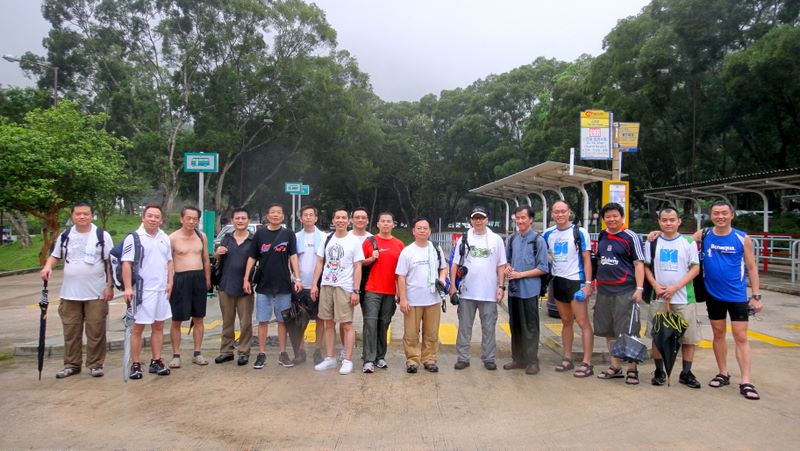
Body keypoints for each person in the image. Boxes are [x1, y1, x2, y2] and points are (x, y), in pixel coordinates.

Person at [695, 200, 762, 399]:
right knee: (718, 334)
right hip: (712, 294)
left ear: (732, 215)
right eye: (716, 213)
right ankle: (723, 373)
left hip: (737, 295)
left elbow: (752, 268)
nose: (720, 216)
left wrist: (756, 296)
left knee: (741, 336)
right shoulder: (705, 234)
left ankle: (746, 381)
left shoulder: (742, 238)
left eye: (724, 213)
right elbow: (680, 240)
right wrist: (657, 234)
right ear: (711, 215)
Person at [40, 201, 114, 378]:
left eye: (86, 214)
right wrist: (48, 266)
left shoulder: (102, 235)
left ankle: (95, 364)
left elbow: (110, 263)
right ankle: (72, 364)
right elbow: (55, 256)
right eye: (78, 214)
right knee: (71, 331)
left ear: (91, 215)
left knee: (96, 331)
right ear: (72, 216)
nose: (82, 217)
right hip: (70, 293)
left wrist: (109, 286)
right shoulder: (66, 235)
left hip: (96, 293)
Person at [644, 207, 701, 388]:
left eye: (672, 220)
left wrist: (676, 287)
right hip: (659, 297)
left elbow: (695, 268)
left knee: (688, 337)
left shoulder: (688, 242)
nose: (668, 223)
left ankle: (686, 373)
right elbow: (646, 267)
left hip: (684, 298)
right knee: (658, 335)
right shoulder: (652, 242)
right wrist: (655, 285)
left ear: (679, 221)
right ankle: (659, 371)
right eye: (664, 220)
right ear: (659, 222)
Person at [243, 204, 302, 370]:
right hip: (264, 285)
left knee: (283, 321)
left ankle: (283, 353)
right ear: (267, 216)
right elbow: (252, 257)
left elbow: (293, 256)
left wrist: (298, 278)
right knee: (263, 321)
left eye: (279, 213)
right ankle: (261, 354)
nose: (276, 215)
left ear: (283, 216)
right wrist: (246, 279)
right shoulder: (259, 234)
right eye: (272, 212)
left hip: (283, 285)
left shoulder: (288, 234)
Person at [449, 206, 507, 370]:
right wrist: (452, 286)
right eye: (475, 218)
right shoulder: (464, 238)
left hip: (489, 293)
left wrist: (501, 286)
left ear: (487, 220)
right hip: (467, 292)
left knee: (489, 327)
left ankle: (489, 358)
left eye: (481, 218)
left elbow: (501, 265)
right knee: (464, 327)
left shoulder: (496, 239)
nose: (478, 221)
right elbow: (455, 264)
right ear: (471, 220)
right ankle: (463, 358)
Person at [594, 202, 645, 385]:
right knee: (609, 330)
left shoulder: (631, 236)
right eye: (608, 216)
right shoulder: (602, 235)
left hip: (625, 291)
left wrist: (639, 289)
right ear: (603, 219)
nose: (612, 219)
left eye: (615, 216)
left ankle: (632, 369)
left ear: (622, 217)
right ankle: (615, 366)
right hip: (604, 291)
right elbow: (599, 259)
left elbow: (639, 264)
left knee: (628, 331)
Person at [542, 200, 595, 377]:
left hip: (576, 281)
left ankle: (587, 363)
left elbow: (587, 259)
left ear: (569, 212)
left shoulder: (579, 232)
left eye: (563, 211)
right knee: (565, 321)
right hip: (558, 281)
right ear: (552, 214)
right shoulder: (548, 233)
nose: (560, 214)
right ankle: (567, 358)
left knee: (582, 321)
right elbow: (542, 254)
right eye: (556, 211)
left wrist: (588, 284)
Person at [123, 204, 174, 379]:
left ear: (161, 220)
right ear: (143, 217)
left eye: (156, 217)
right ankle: (135, 364)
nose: (153, 219)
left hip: (161, 290)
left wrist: (170, 282)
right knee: (138, 328)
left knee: (158, 326)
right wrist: (128, 287)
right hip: (141, 291)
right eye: (150, 216)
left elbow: (169, 261)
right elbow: (126, 263)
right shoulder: (134, 238)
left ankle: (156, 360)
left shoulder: (164, 238)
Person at [311, 208, 364, 375]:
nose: (340, 220)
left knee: (347, 324)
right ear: (333, 221)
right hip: (327, 285)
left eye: (343, 218)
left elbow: (358, 267)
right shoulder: (327, 238)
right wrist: (314, 284)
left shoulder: (354, 241)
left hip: (344, 287)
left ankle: (347, 360)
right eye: (337, 218)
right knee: (328, 323)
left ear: (349, 221)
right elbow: (320, 262)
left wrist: (356, 290)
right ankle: (330, 357)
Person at [396, 218, 448, 373]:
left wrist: (442, 278)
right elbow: (401, 276)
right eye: (419, 228)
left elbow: (443, 268)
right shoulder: (407, 251)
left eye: (425, 228)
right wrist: (403, 299)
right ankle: (412, 360)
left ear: (429, 231)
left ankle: (429, 359)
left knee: (431, 332)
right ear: (413, 231)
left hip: (433, 299)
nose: (422, 231)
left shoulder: (436, 249)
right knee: (411, 333)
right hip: (413, 299)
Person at [503, 206, 549, 375]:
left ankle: (532, 361)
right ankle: (518, 359)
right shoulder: (512, 239)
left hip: (530, 290)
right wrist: (508, 268)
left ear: (531, 219)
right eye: (518, 218)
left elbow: (543, 267)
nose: (520, 221)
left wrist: (521, 274)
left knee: (530, 326)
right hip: (514, 290)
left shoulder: (538, 240)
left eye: (523, 218)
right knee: (515, 325)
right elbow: (507, 260)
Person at [361, 212, 404, 373]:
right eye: (383, 221)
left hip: (390, 291)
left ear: (393, 224)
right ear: (377, 224)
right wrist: (371, 259)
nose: (386, 224)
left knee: (384, 323)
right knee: (370, 324)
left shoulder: (399, 244)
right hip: (372, 289)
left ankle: (380, 356)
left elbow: (401, 271)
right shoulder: (369, 241)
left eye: (389, 221)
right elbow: (359, 264)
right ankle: (368, 359)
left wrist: (400, 292)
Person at [168, 207, 212, 368]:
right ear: (182, 219)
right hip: (180, 280)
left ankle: (197, 353)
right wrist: (170, 282)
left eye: (195, 219)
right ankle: (176, 355)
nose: (191, 221)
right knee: (177, 319)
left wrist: (207, 279)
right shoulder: (172, 238)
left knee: (199, 318)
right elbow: (168, 262)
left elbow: (206, 259)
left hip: (198, 279)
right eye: (188, 218)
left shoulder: (201, 236)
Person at [214, 208, 255, 366]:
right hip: (226, 285)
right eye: (237, 218)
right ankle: (226, 351)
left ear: (248, 221)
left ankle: (244, 352)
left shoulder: (253, 240)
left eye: (243, 218)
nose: (240, 221)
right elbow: (218, 259)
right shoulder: (227, 238)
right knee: (227, 321)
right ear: (232, 221)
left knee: (245, 323)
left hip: (245, 287)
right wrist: (218, 253)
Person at [295, 205, 328, 365]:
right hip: (300, 284)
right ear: (300, 218)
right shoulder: (295, 237)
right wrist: (296, 279)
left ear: (316, 218)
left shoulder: (324, 237)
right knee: (300, 320)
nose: (308, 217)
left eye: (311, 215)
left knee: (320, 318)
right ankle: (301, 351)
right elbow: (292, 260)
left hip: (319, 284)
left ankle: (317, 350)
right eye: (305, 215)